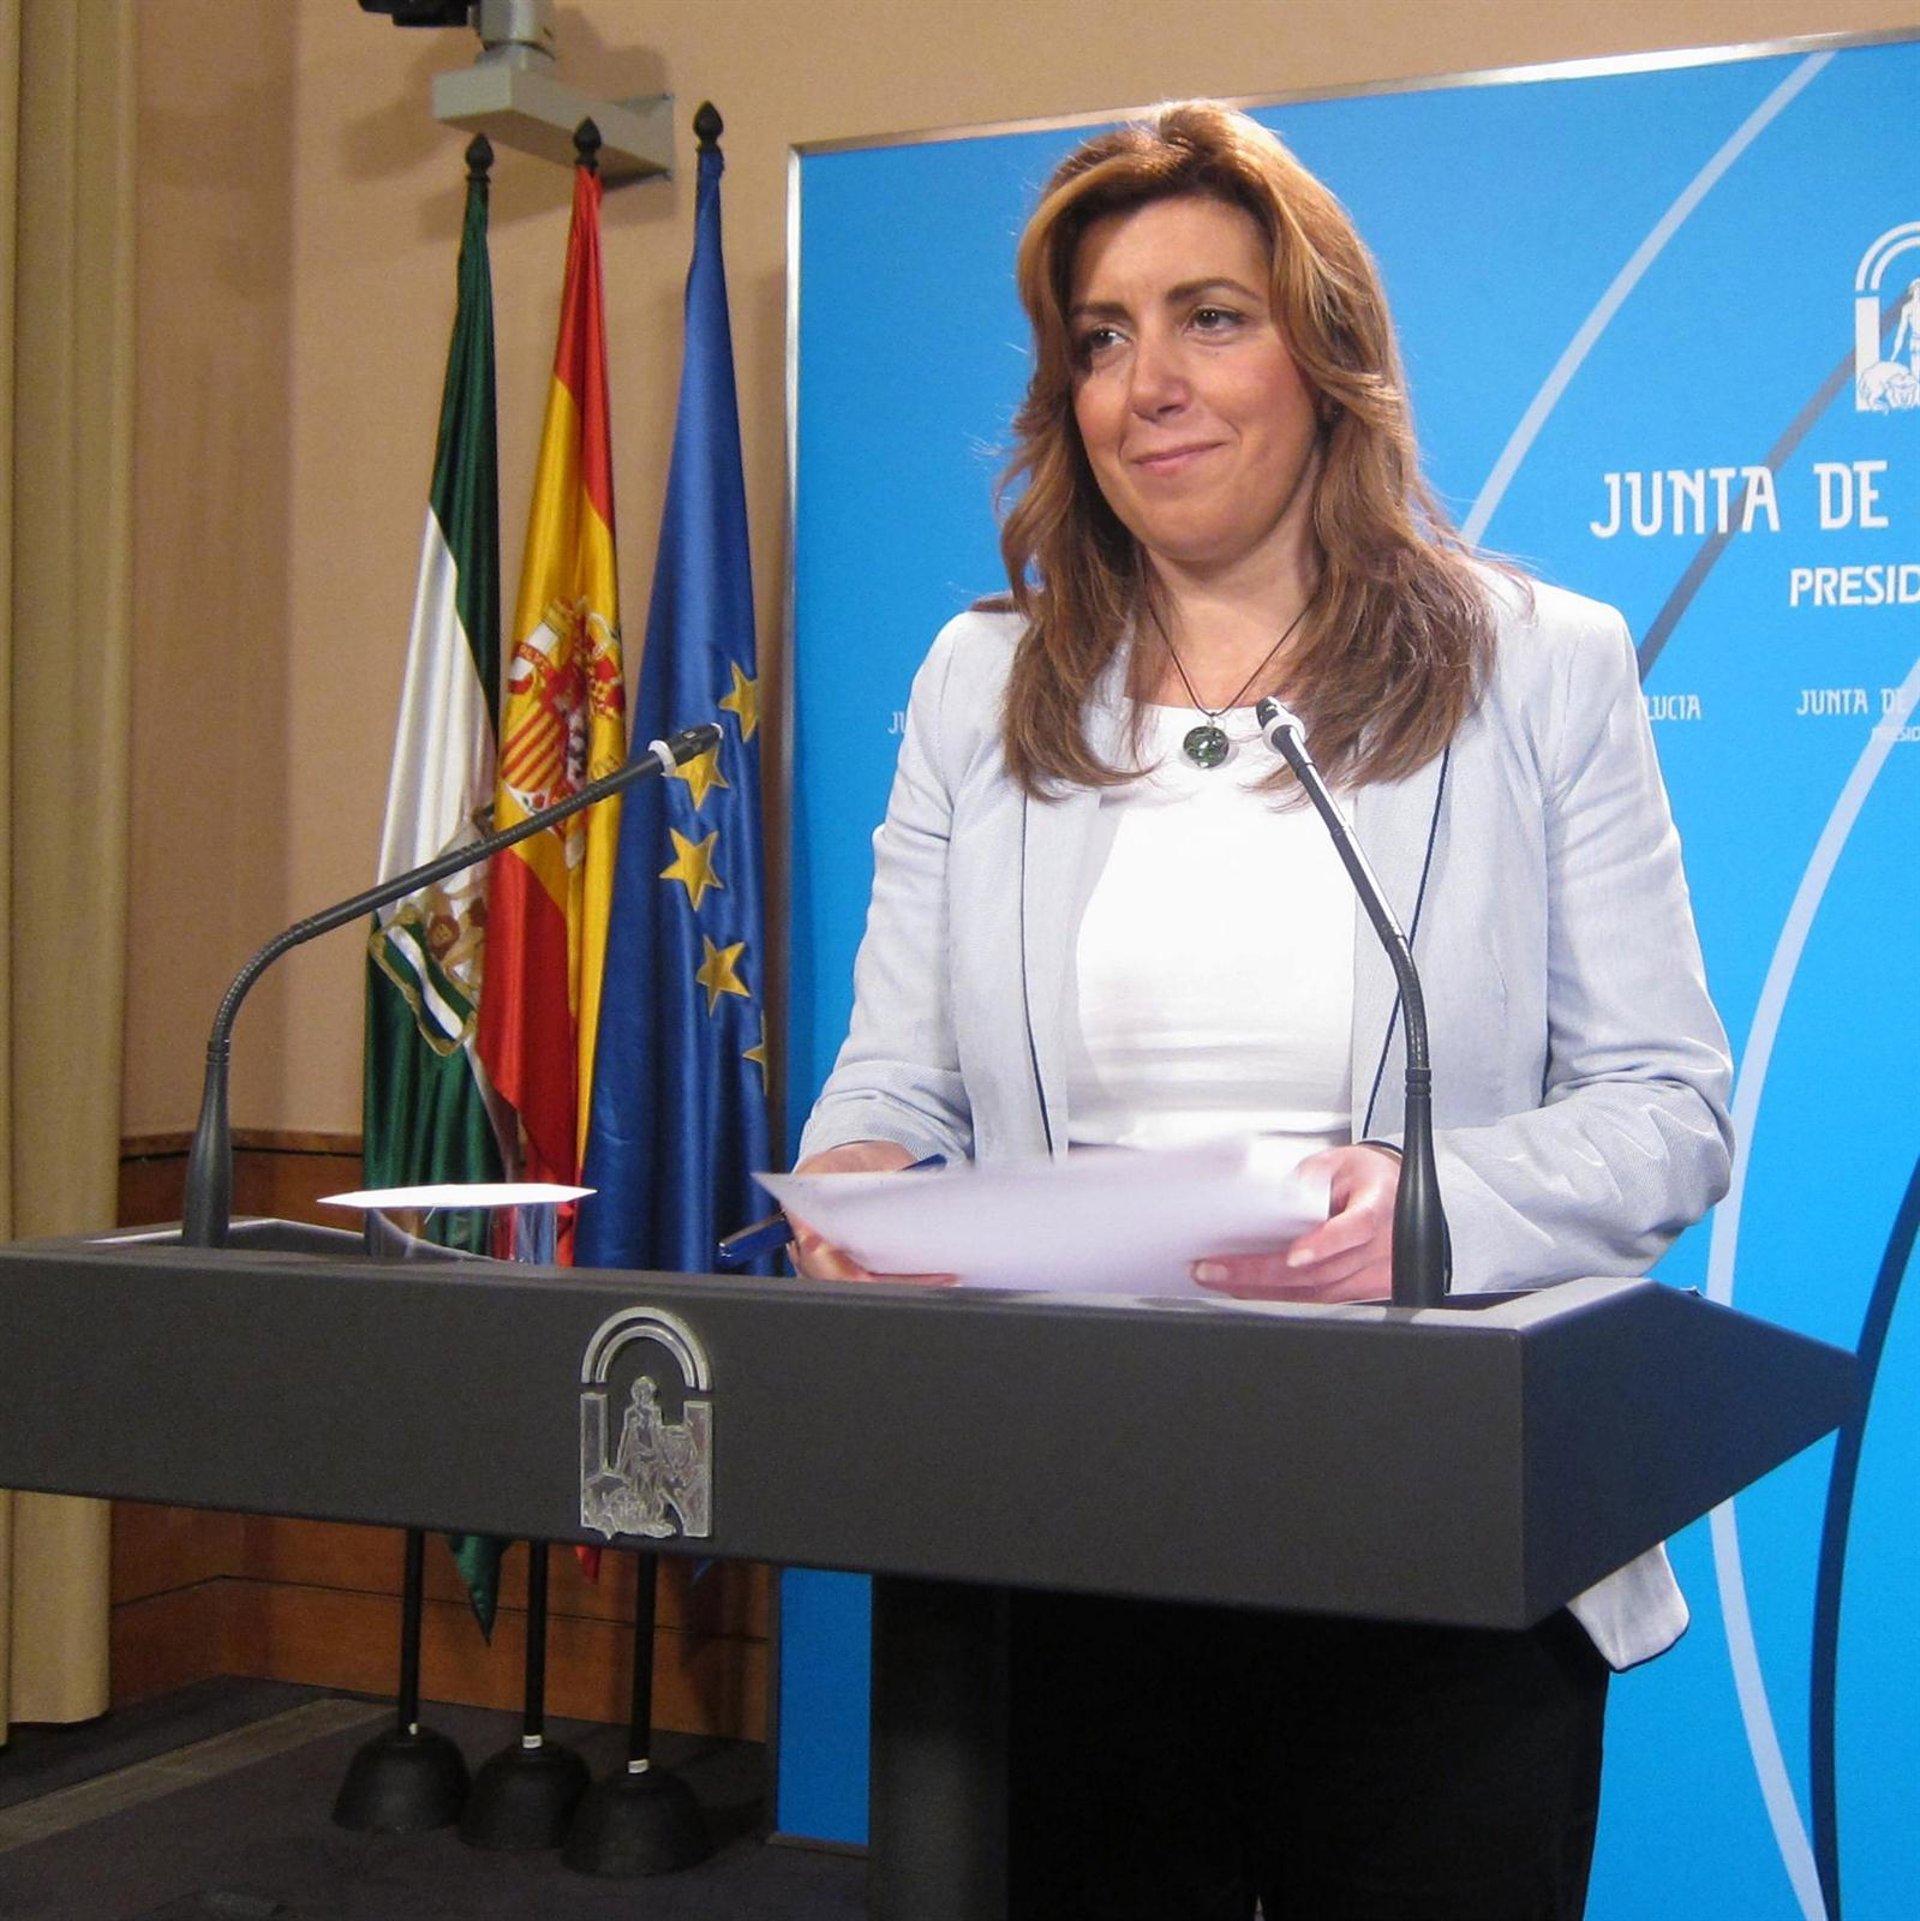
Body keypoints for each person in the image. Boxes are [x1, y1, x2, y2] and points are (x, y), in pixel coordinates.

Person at [792, 101, 1733, 1921]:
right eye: (1101, 338)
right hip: (1071, 1520)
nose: (1149, 382)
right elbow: (894, 1078)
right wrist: (869, 1183)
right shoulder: (979, 684)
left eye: (1210, 317)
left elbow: (1669, 1107)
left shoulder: (1540, 667)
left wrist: (1422, 1207)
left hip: (1441, 1534)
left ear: (1323, 350)